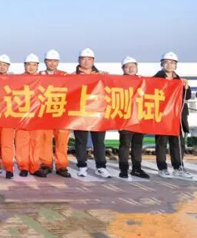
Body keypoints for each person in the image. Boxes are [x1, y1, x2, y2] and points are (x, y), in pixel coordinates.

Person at [153, 52, 193, 180]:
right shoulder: (155, 79)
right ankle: (162, 168)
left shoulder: (179, 80)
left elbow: (186, 97)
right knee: (161, 143)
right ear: (162, 64)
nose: (169, 65)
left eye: (172, 63)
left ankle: (178, 167)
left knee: (178, 143)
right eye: (166, 62)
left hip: (177, 117)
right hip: (162, 116)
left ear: (176, 65)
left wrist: (186, 86)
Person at [72, 48, 111, 178]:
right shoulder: (72, 76)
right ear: (79, 60)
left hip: (97, 113)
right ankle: (82, 166)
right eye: (83, 59)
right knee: (81, 141)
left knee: (99, 141)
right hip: (80, 113)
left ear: (93, 60)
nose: (86, 61)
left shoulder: (101, 76)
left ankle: (101, 166)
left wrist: (108, 78)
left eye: (89, 59)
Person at [38, 49, 71, 178]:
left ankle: (61, 165)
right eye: (49, 61)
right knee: (45, 140)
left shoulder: (66, 76)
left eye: (55, 61)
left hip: (61, 114)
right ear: (45, 61)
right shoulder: (39, 76)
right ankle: (46, 164)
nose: (52, 63)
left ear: (58, 62)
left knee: (62, 141)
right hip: (45, 114)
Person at [117, 57, 150, 179]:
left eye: (133, 66)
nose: (130, 69)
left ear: (137, 68)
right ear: (123, 69)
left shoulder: (143, 81)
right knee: (125, 145)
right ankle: (123, 169)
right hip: (125, 119)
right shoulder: (118, 81)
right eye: (127, 66)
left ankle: (136, 168)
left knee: (137, 145)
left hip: (140, 118)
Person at [15, 54, 39, 177]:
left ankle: (34, 167)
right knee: (22, 143)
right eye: (29, 65)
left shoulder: (43, 80)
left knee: (36, 143)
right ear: (24, 65)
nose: (31, 67)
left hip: (38, 117)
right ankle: (23, 166)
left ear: (37, 66)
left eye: (34, 65)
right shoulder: (18, 79)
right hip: (22, 117)